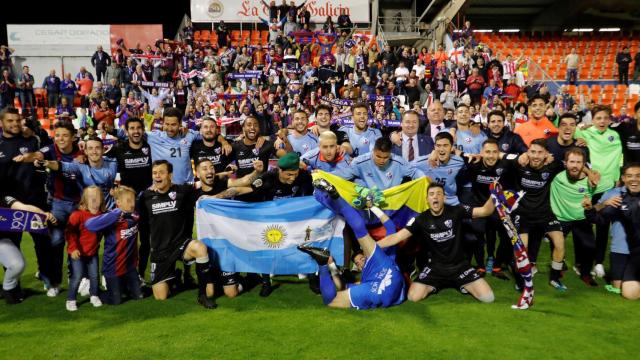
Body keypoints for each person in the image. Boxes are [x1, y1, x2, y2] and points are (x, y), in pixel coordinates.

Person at [376, 183, 496, 303]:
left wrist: (494, 194)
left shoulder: (457, 210)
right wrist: (374, 247)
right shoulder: (420, 219)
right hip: (435, 269)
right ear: (427, 200)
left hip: (460, 267)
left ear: (444, 198)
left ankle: (463, 284)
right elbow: (397, 237)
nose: (435, 197)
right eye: (432, 194)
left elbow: (485, 211)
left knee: (488, 298)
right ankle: (435, 285)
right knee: (413, 297)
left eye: (439, 194)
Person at [298, 179, 405, 309]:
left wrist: (373, 207)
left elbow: (390, 227)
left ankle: (336, 197)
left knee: (360, 231)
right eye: (358, 264)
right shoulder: (365, 278)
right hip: (380, 287)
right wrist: (331, 264)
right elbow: (341, 286)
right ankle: (322, 263)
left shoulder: (384, 253)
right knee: (331, 300)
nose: (360, 263)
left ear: (365, 255)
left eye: (360, 259)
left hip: (385, 278)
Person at [138, 160, 216, 309]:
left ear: (170, 175)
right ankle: (174, 275)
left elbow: (204, 186)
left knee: (200, 249)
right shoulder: (146, 196)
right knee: (161, 297)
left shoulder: (182, 191)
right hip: (160, 251)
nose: (157, 176)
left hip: (180, 244)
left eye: (161, 172)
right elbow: (140, 222)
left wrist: (212, 175)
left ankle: (202, 296)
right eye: (154, 173)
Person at [502, 139, 569, 290]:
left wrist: (590, 173)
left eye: (540, 152)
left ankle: (555, 278)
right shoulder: (519, 164)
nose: (536, 156)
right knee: (521, 248)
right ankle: (521, 280)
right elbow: (500, 155)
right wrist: (517, 157)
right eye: (532, 152)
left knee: (559, 243)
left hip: (545, 213)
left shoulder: (553, 165)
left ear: (546, 154)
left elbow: (573, 163)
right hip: (522, 213)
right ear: (527, 152)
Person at [575, 105, 622, 278]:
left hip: (608, 187)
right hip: (589, 186)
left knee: (603, 225)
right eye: (598, 118)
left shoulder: (615, 136)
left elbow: (618, 159)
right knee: (583, 223)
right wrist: (581, 128)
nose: (602, 121)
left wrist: (617, 180)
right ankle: (581, 262)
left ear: (610, 119)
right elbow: (568, 131)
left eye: (605, 118)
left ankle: (599, 262)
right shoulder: (585, 134)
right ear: (592, 120)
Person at [583, 163, 640, 300]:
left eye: (638, 176)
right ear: (623, 178)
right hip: (619, 249)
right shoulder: (615, 195)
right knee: (617, 287)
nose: (634, 179)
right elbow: (598, 218)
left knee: (629, 293)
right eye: (630, 176)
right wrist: (601, 205)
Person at [85, 186, 143, 305]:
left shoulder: (135, 215)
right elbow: (89, 225)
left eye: (133, 200)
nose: (132, 204)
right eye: (128, 201)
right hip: (113, 267)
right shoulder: (113, 217)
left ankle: (122, 288)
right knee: (116, 301)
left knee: (139, 296)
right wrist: (114, 214)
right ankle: (93, 291)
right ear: (118, 202)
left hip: (129, 267)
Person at [550, 149, 598, 286]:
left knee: (589, 247)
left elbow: (597, 181)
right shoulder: (557, 177)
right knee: (557, 245)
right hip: (561, 217)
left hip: (581, 218)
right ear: (565, 163)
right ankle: (557, 270)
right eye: (572, 162)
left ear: (583, 164)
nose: (575, 165)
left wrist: (591, 174)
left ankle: (586, 274)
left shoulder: (591, 181)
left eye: (578, 162)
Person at [0, 194, 56, 304]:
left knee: (17, 264)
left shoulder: (3, 198)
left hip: (1, 240)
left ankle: (8, 289)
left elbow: (23, 208)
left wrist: (43, 214)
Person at [65, 186, 105, 311]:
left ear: (102, 199)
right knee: (77, 276)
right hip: (77, 253)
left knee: (94, 275)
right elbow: (69, 233)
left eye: (96, 196)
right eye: (90, 197)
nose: (93, 199)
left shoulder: (102, 215)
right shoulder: (77, 215)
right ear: (84, 200)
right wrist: (73, 249)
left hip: (92, 252)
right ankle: (71, 299)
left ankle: (94, 295)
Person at [333, 137, 424, 190]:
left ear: (390, 154)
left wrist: (425, 180)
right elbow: (341, 175)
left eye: (386, 157)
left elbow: (415, 172)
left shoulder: (399, 163)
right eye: (378, 156)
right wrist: (320, 175)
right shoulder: (360, 162)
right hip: (369, 204)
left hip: (393, 203)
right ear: (373, 151)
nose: (382, 160)